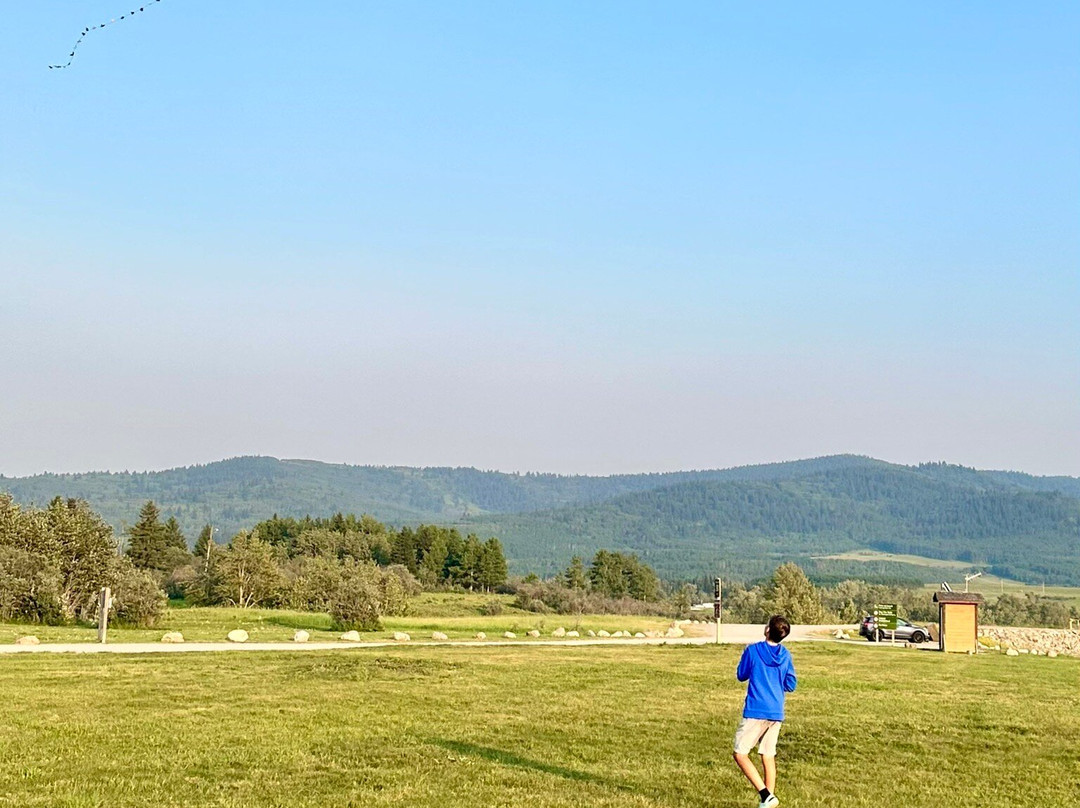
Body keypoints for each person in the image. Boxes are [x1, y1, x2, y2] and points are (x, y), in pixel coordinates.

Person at [732, 615, 797, 808]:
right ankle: (768, 801)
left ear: (767, 630)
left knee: (740, 753)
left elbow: (741, 675)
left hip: (756, 710)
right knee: (768, 755)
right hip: (776, 711)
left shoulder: (752, 651)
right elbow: (791, 684)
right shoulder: (786, 655)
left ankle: (765, 794)